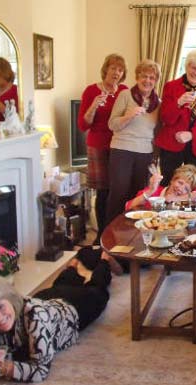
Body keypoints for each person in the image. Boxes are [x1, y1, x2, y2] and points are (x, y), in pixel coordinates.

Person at [0, 249, 112, 385]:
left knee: (97, 290)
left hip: (72, 307)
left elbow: (40, 371)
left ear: (10, 298)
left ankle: (104, 260)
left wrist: (3, 367)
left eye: (0, 307)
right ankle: (71, 268)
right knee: (59, 285)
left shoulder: (35, 317)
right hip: (46, 298)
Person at [78, 54, 128, 244]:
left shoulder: (124, 91)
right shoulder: (91, 91)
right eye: (113, 68)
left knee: (118, 190)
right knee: (103, 191)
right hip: (98, 145)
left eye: (120, 70)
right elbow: (83, 125)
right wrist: (93, 106)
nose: (116, 72)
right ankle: (101, 234)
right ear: (106, 69)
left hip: (120, 145)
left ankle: (116, 232)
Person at [105, 59, 161, 223]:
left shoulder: (158, 103)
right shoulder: (125, 95)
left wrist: (155, 160)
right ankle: (111, 235)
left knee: (137, 196)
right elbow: (112, 124)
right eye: (144, 76)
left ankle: (132, 233)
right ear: (137, 77)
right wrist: (129, 116)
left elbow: (157, 133)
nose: (148, 81)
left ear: (156, 81)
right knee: (118, 194)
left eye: (152, 78)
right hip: (122, 150)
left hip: (145, 153)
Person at [154, 50, 196, 185]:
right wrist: (178, 103)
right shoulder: (171, 86)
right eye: (194, 68)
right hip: (171, 144)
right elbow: (165, 118)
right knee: (169, 183)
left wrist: (192, 134)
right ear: (187, 66)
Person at [126, 163, 196, 210]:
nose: (180, 188)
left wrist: (176, 199)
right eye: (180, 183)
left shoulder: (187, 198)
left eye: (186, 188)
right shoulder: (156, 190)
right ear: (172, 180)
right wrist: (151, 191)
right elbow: (128, 206)